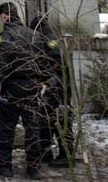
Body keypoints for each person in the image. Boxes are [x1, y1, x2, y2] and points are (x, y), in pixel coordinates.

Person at [0, 2, 46, 179]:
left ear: (5, 15)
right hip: (32, 88)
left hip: (11, 89)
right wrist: (40, 82)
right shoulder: (34, 35)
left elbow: (1, 64)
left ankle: (4, 165)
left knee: (6, 129)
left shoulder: (6, 36)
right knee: (32, 129)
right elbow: (43, 62)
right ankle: (33, 167)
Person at [30, 16, 73, 168]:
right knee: (46, 120)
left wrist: (48, 81)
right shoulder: (48, 37)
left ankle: (66, 155)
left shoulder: (50, 40)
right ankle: (46, 152)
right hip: (55, 88)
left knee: (59, 121)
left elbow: (57, 65)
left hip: (57, 89)